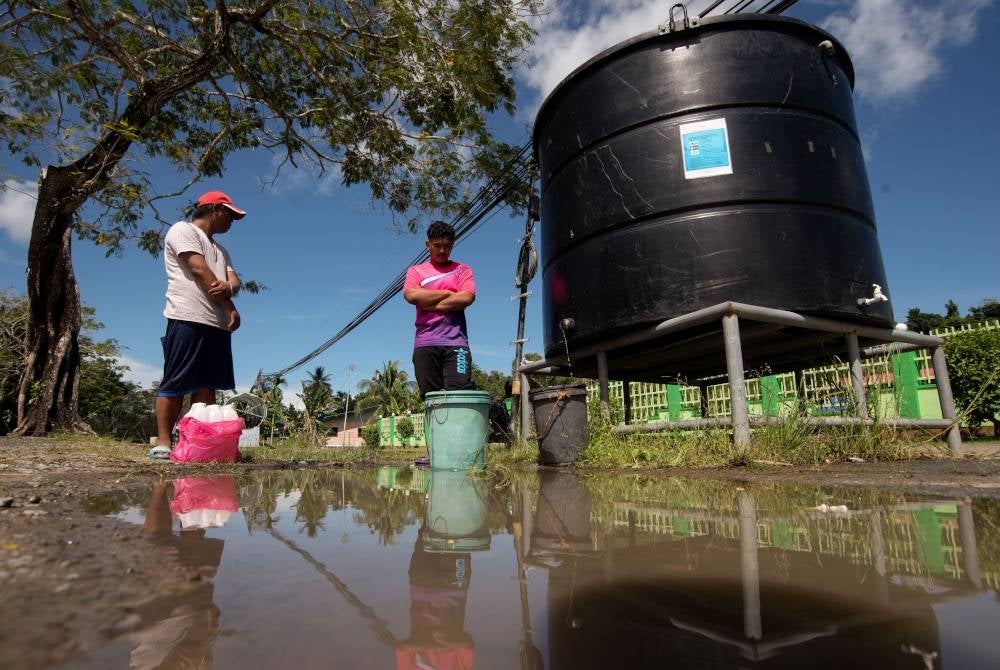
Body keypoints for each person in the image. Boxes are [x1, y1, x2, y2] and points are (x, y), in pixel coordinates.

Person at [151, 191, 246, 459]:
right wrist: (230, 307)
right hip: (187, 317)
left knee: (207, 385)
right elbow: (200, 271)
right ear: (215, 209)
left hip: (216, 325)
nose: (232, 222)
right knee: (176, 380)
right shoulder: (182, 231)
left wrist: (228, 288)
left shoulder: (222, 250)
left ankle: (198, 444)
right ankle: (163, 441)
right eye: (230, 215)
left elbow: (233, 281)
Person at [403, 221, 476, 399]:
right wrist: (447, 293)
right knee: (432, 400)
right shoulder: (416, 271)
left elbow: (466, 297)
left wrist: (428, 302)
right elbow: (411, 295)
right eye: (437, 246)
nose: (442, 251)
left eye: (447, 246)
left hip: (456, 344)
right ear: (428, 245)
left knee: (459, 397)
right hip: (425, 344)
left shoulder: (462, 269)